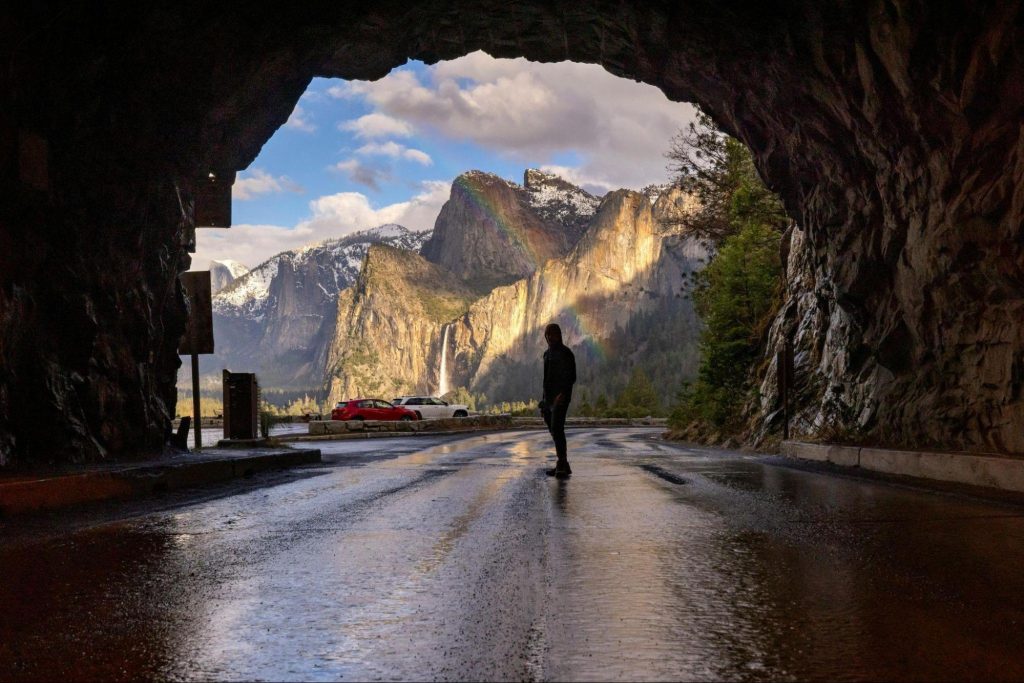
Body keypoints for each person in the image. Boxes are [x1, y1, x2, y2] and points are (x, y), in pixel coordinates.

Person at [540, 323, 576, 478]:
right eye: (547, 334)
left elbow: (571, 377)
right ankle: (563, 463)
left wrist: (562, 394)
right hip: (548, 400)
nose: (549, 337)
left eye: (552, 334)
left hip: (561, 398)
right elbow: (546, 379)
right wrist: (543, 401)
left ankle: (561, 463)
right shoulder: (547, 354)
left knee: (557, 428)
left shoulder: (566, 353)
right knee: (553, 430)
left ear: (559, 335)